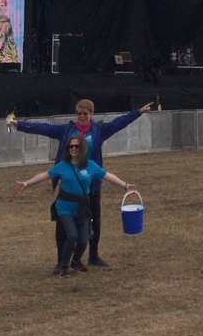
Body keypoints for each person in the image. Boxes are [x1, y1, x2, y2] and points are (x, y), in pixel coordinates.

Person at [10, 97, 153, 270]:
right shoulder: (67, 130)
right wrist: (21, 125)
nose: (82, 116)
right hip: (70, 184)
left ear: (91, 114)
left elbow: (119, 123)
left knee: (95, 221)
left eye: (85, 113)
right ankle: (60, 261)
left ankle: (93, 255)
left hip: (91, 184)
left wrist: (138, 112)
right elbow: (44, 129)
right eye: (79, 113)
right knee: (63, 226)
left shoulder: (99, 130)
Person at [15, 136, 138, 278]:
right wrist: (26, 183)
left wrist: (125, 185)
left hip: (82, 208)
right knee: (72, 235)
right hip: (65, 207)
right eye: (71, 146)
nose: (73, 149)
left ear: (83, 148)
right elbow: (45, 175)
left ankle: (75, 261)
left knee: (83, 239)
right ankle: (64, 266)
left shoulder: (91, 165)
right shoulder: (63, 165)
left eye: (76, 146)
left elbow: (107, 176)